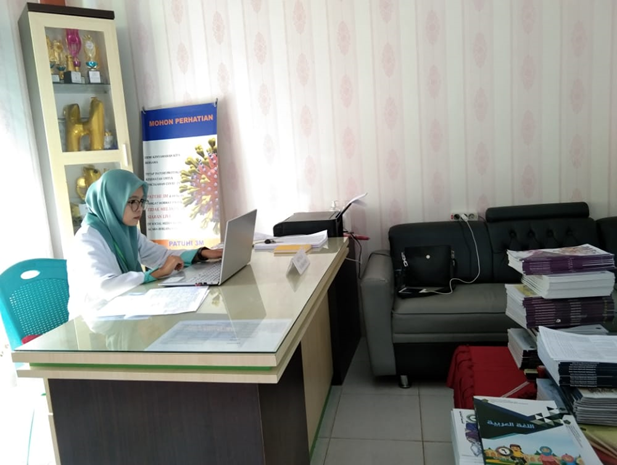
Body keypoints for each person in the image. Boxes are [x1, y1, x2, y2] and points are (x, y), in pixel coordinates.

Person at [67, 169, 222, 319]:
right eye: (132, 201)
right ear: (112, 201)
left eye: (141, 201)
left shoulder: (127, 231)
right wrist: (156, 273)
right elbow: (104, 286)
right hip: (93, 322)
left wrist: (201, 254)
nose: (139, 209)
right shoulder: (88, 237)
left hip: (124, 310)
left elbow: (161, 256)